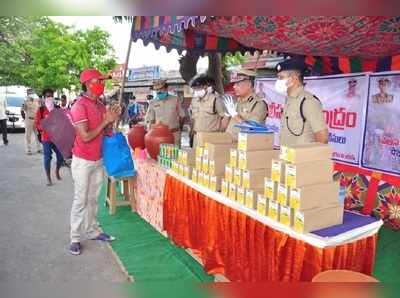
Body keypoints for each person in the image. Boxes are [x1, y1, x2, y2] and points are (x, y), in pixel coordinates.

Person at [69, 68, 121, 256]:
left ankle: (92, 231)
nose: (102, 85)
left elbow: (106, 132)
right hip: (82, 160)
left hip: (98, 159)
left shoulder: (99, 104)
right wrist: (105, 120)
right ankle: (75, 237)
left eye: (102, 81)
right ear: (87, 84)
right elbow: (85, 136)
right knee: (80, 199)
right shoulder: (79, 106)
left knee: (93, 199)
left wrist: (112, 119)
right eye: (98, 81)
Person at [275, 59, 328, 146]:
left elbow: (322, 137)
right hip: (286, 156)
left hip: (301, 158)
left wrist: (308, 157)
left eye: (281, 77)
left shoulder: (308, 101)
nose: (278, 81)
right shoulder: (289, 99)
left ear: (294, 79)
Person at [224, 69, 269, 141]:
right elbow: (224, 126)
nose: (234, 87)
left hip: (244, 146)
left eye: (237, 84)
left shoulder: (258, 104)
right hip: (227, 143)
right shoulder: (235, 101)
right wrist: (226, 114)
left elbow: (252, 128)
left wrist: (235, 116)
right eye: (234, 84)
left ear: (249, 85)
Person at [34, 88, 65, 186]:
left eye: (51, 96)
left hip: (57, 138)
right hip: (46, 138)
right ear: (43, 98)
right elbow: (36, 124)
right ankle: (48, 178)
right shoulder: (41, 110)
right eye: (47, 96)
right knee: (47, 157)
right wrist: (44, 127)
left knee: (60, 157)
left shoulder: (57, 108)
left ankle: (57, 171)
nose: (49, 98)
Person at [189, 74, 227, 147]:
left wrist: (220, 134)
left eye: (198, 88)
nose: (196, 91)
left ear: (205, 87)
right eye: (194, 89)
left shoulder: (215, 99)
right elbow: (193, 118)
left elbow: (225, 117)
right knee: (196, 157)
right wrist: (191, 133)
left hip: (211, 136)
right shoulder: (194, 100)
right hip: (197, 136)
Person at [145, 80, 185, 145]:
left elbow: (182, 116)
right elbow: (150, 120)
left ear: (166, 88)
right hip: (159, 137)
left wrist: (179, 129)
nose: (159, 92)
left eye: (161, 89)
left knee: (174, 155)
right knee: (160, 155)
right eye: (156, 90)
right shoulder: (152, 102)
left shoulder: (175, 100)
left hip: (174, 135)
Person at [22, 89, 42, 154]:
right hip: (29, 120)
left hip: (36, 120)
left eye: (31, 92)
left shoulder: (37, 100)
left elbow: (40, 109)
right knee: (28, 136)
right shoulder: (25, 101)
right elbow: (22, 110)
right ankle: (28, 149)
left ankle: (39, 148)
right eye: (29, 93)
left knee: (38, 135)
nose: (30, 94)